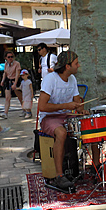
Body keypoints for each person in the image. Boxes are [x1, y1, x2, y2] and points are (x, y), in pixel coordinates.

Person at [38, 50, 83, 192]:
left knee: (90, 125)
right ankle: (59, 175)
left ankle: (95, 166)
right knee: (61, 133)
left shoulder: (72, 79)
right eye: (76, 63)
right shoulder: (51, 79)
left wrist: (81, 109)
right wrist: (66, 106)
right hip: (49, 118)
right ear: (67, 66)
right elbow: (42, 106)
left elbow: (76, 101)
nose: (79, 65)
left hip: (67, 116)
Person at [0, 50, 32, 119]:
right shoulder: (6, 64)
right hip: (8, 80)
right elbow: (5, 73)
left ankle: (25, 110)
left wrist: (15, 83)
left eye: (12, 57)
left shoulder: (17, 64)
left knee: (20, 97)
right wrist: (2, 80)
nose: (10, 58)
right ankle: (5, 113)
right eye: (9, 57)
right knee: (7, 98)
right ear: (6, 58)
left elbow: (17, 74)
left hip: (15, 80)